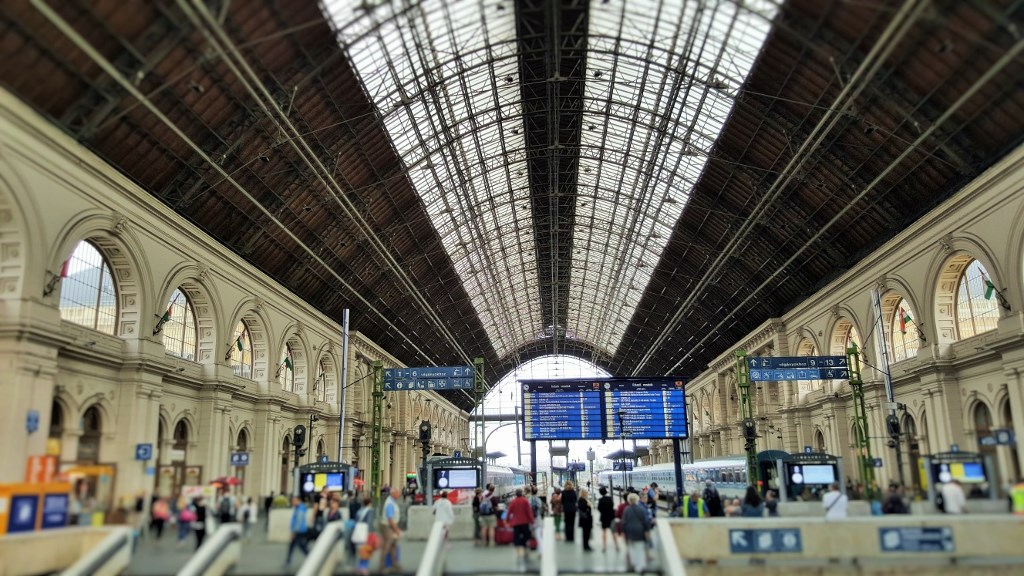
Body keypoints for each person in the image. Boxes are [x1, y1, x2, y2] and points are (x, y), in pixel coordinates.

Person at [505, 488, 536, 570]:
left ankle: (518, 554)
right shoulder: (525, 501)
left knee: (517, 538)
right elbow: (529, 512)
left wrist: (507, 520)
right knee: (526, 537)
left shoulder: (513, 501)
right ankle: (526, 552)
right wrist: (532, 521)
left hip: (516, 523)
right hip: (525, 522)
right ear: (521, 494)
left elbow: (509, 511)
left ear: (516, 494)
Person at [621, 493, 650, 573]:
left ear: (629, 500)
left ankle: (635, 564)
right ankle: (641, 566)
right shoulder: (641, 509)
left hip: (630, 531)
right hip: (640, 531)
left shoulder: (627, 509)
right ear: (637, 499)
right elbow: (646, 521)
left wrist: (623, 532)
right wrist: (647, 531)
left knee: (632, 548)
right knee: (640, 548)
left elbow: (624, 522)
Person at [378, 486, 403, 573]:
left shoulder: (391, 501)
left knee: (393, 546)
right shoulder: (390, 504)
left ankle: (394, 565)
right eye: (398, 493)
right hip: (388, 527)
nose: (399, 495)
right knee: (387, 546)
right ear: (394, 493)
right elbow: (390, 519)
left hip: (389, 526)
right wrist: (396, 530)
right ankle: (382, 567)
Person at [284, 496, 310, 567]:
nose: (292, 503)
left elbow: (298, 521)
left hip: (299, 531)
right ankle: (288, 561)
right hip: (299, 531)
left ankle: (311, 558)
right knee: (293, 546)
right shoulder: (298, 508)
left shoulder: (300, 509)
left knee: (302, 546)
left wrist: (294, 532)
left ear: (298, 501)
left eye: (294, 501)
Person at [597, 486, 619, 552]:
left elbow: (599, 508)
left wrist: (603, 512)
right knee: (613, 532)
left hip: (604, 517)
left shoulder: (600, 500)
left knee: (604, 531)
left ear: (600, 493)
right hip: (611, 517)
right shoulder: (610, 498)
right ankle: (616, 546)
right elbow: (612, 505)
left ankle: (604, 547)